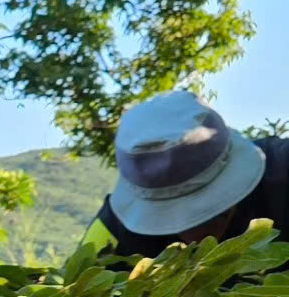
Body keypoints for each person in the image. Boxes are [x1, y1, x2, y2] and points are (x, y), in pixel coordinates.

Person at [82, 91, 289, 258]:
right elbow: (70, 291)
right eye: (171, 220)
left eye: (211, 216)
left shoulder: (282, 174)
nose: (195, 237)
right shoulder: (113, 232)